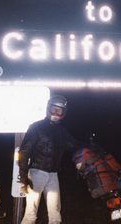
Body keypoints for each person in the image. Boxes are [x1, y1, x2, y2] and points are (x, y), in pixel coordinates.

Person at [18, 95, 87, 224]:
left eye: (59, 110)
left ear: (63, 113)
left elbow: (74, 144)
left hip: (53, 175)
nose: (56, 112)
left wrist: (91, 146)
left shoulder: (62, 131)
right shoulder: (36, 127)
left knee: (55, 215)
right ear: (48, 108)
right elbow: (24, 151)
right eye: (54, 109)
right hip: (36, 173)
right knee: (30, 214)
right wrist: (23, 177)